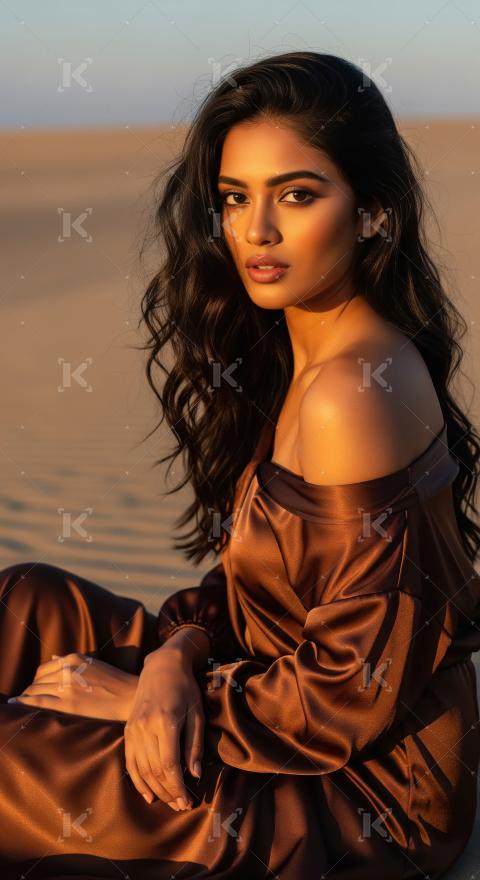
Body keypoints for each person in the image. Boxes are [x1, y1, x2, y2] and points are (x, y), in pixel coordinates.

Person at [1, 50, 480, 879]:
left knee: (13, 751)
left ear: (372, 212)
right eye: (234, 198)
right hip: (264, 695)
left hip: (359, 799)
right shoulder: (306, 353)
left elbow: (350, 694)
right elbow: (266, 589)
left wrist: (128, 701)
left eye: (296, 195)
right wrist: (175, 652)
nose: (255, 230)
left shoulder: (352, 393)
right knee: (22, 603)